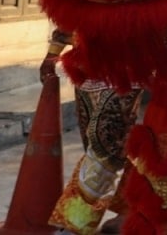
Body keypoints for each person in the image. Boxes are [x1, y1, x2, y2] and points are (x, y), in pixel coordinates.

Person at [41, 27, 141, 235]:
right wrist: (53, 52)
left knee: (103, 146)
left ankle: (76, 222)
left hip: (126, 69)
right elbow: (72, 11)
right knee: (105, 146)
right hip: (86, 68)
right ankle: (135, 209)